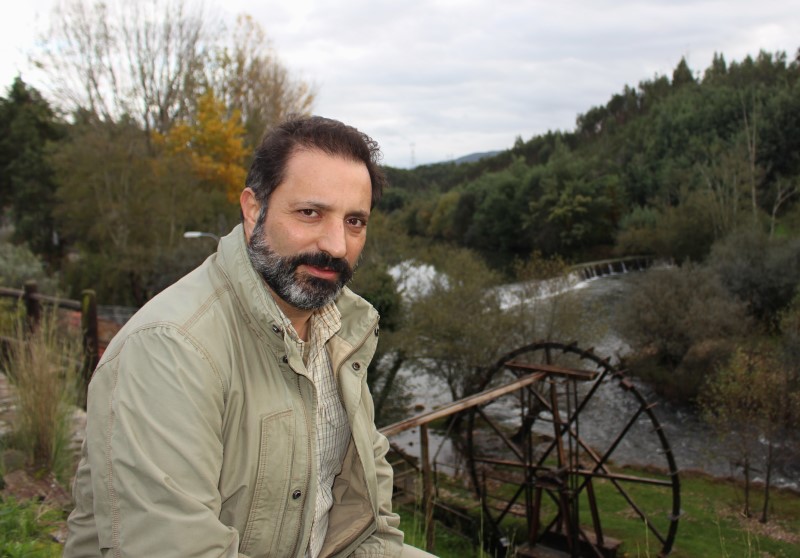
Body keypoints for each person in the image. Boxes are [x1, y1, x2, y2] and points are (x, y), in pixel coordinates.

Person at [65, 116, 430, 557]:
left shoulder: (342, 335)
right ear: (254, 209)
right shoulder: (170, 349)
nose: (337, 245)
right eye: (310, 213)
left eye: (355, 221)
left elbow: (371, 527)